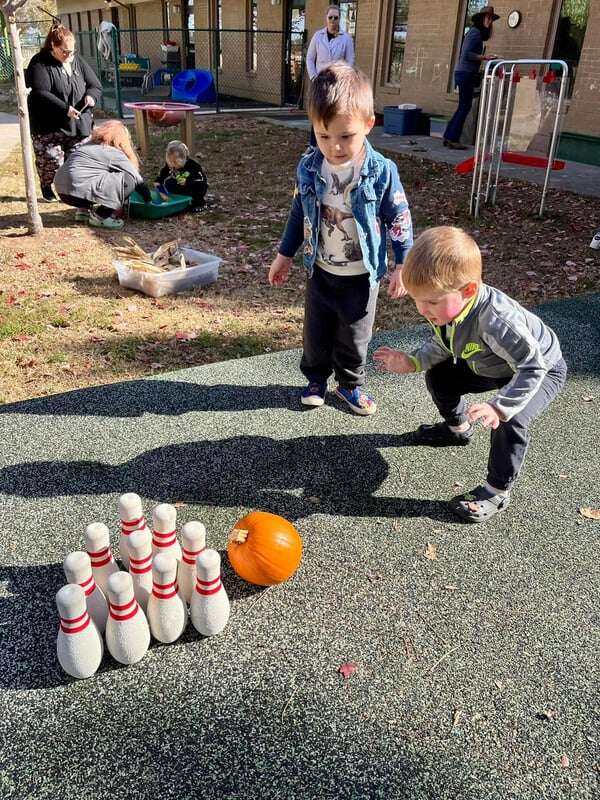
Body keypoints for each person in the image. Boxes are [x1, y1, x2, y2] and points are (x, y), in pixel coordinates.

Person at [374, 227, 567, 522]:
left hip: (540, 368)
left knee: (511, 418)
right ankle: (458, 429)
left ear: (468, 291)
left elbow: (532, 366)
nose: (423, 310)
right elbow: (444, 344)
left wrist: (499, 406)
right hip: (490, 362)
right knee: (440, 376)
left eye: (432, 302)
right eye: (417, 300)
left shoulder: (497, 321)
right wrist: (412, 361)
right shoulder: (448, 308)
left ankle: (496, 491)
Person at [268, 62, 413, 416]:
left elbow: (399, 219)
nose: (334, 147)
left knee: (354, 335)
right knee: (316, 332)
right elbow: (299, 212)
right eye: (323, 135)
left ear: (368, 123)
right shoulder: (309, 167)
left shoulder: (381, 172)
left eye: (345, 136)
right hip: (320, 270)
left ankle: (349, 384)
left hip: (362, 275)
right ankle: (315, 378)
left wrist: (403, 263)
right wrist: (285, 254)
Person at [25, 23, 102, 202]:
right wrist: (65, 109)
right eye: (64, 51)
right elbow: (40, 93)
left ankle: (73, 191)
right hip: (49, 125)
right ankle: (47, 186)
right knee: (52, 162)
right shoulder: (40, 62)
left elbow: (95, 85)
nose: (68, 55)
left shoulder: (77, 61)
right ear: (53, 45)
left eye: (71, 51)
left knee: (77, 161)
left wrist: (91, 97)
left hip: (78, 124)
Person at [54, 120, 152, 230]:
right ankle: (100, 217)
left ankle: (83, 211)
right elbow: (137, 180)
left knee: (90, 176)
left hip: (61, 189)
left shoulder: (86, 145)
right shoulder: (112, 152)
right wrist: (149, 200)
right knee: (128, 180)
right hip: (77, 188)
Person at [443, 5, 499, 150]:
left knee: (462, 106)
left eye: (491, 19)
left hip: (464, 73)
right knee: (465, 107)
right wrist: (484, 57)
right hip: (465, 73)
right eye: (488, 18)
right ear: (481, 19)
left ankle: (448, 136)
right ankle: (453, 139)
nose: (490, 22)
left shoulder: (474, 33)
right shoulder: (474, 33)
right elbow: (466, 54)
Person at [306, 5, 355, 147]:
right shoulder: (317, 36)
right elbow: (310, 58)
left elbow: (350, 61)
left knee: (333, 114)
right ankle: (313, 146)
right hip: (319, 81)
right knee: (318, 114)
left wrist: (342, 78)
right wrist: (314, 77)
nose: (333, 20)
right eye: (330, 17)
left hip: (336, 82)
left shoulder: (346, 39)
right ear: (326, 19)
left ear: (339, 19)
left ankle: (331, 146)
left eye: (336, 17)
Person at [155, 141, 208, 212]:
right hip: (182, 188)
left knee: (199, 186)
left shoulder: (193, 165)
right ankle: (179, 201)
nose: (172, 165)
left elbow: (201, 180)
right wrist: (161, 188)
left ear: (184, 158)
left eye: (175, 162)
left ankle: (200, 203)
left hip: (194, 186)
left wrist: (187, 181)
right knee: (169, 183)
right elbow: (160, 178)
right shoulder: (171, 166)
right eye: (170, 162)